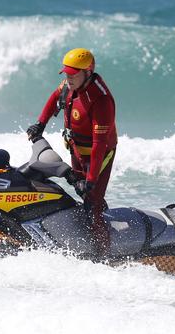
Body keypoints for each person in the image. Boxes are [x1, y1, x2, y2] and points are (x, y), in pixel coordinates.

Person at [26, 48, 117, 257]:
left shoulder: (101, 100)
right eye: (66, 73)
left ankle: (104, 253)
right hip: (76, 149)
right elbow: (53, 98)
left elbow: (99, 144)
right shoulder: (70, 85)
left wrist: (92, 179)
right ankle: (101, 217)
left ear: (87, 72)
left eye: (73, 74)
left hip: (99, 156)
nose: (68, 78)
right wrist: (40, 124)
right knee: (81, 192)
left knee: (91, 202)